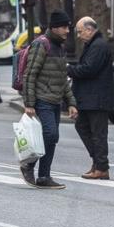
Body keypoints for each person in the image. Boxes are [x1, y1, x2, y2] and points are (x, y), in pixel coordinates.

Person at [21, 10, 77, 189]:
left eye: (68, 27)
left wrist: (71, 102)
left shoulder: (60, 48)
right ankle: (29, 165)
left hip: (55, 100)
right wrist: (29, 102)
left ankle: (44, 176)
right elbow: (29, 75)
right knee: (50, 134)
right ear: (53, 28)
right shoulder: (41, 44)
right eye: (63, 27)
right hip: (42, 99)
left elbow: (63, 79)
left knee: (52, 138)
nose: (67, 30)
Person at [67, 17, 114, 179]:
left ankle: (101, 167)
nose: (79, 35)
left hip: (96, 98)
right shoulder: (93, 45)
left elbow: (89, 69)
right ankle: (98, 164)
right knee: (83, 127)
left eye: (80, 32)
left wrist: (69, 69)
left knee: (97, 134)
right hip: (90, 98)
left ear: (89, 30)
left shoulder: (98, 46)